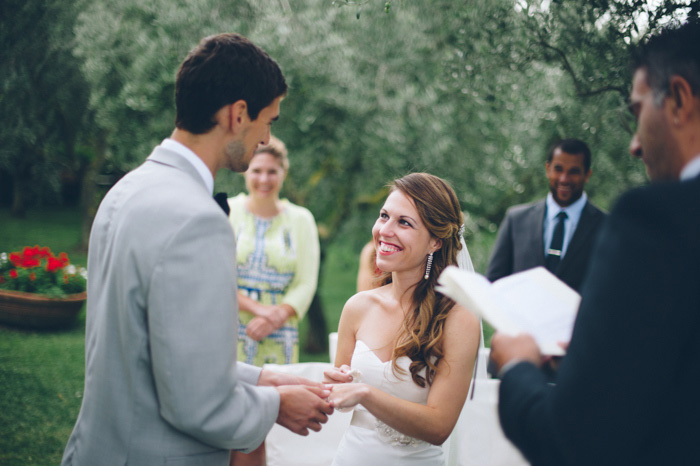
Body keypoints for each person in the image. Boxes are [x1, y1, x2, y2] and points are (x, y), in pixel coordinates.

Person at [61, 33, 333, 466]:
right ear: (238, 114)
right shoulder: (198, 221)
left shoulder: (125, 190)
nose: (265, 138)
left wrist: (262, 376)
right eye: (270, 121)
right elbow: (199, 402)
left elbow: (156, 351)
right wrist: (277, 405)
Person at [490, 20, 700, 466]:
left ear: (679, 99)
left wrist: (517, 367)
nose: (635, 144)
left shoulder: (654, 222)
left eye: (638, 111)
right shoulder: (517, 219)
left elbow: (572, 442)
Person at [325, 173, 482, 465]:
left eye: (404, 222)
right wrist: (336, 387)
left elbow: (439, 427)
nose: (385, 230)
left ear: (435, 241)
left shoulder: (458, 319)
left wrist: (364, 393)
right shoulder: (358, 307)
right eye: (384, 216)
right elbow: (341, 400)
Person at [227, 136, 320, 465]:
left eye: (272, 171)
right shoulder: (229, 211)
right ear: (245, 172)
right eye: (256, 170)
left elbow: (306, 281)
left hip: (281, 334)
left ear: (283, 173)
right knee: (232, 415)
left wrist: (276, 316)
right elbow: (215, 274)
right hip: (230, 326)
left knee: (271, 420)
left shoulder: (301, 220)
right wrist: (257, 311)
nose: (263, 179)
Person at [486, 138, 607, 293]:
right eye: (558, 169)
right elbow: (494, 283)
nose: (564, 178)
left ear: (587, 174)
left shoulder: (607, 226)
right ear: (548, 169)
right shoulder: (516, 220)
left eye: (574, 172)